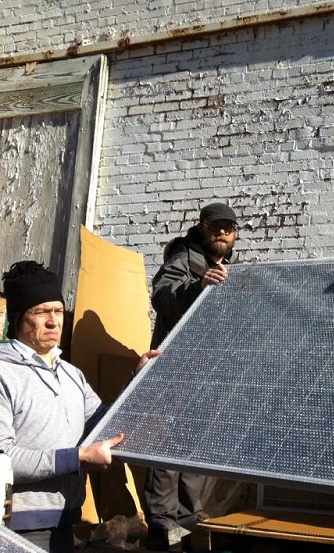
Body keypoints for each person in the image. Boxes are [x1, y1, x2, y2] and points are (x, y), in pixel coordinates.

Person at [0, 261, 158, 553]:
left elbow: (103, 424)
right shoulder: (3, 373)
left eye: (58, 311)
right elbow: (4, 458)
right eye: (41, 312)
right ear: (18, 317)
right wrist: (80, 457)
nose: (53, 321)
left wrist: (138, 378)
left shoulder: (72, 374)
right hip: (15, 527)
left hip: (65, 519)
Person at [144, 202, 239, 551]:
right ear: (202, 227)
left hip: (210, 375)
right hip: (176, 370)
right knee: (167, 445)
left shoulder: (230, 269)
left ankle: (186, 519)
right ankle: (161, 523)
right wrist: (197, 286)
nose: (222, 232)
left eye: (228, 227)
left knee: (196, 446)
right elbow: (162, 295)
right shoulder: (185, 256)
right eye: (215, 226)